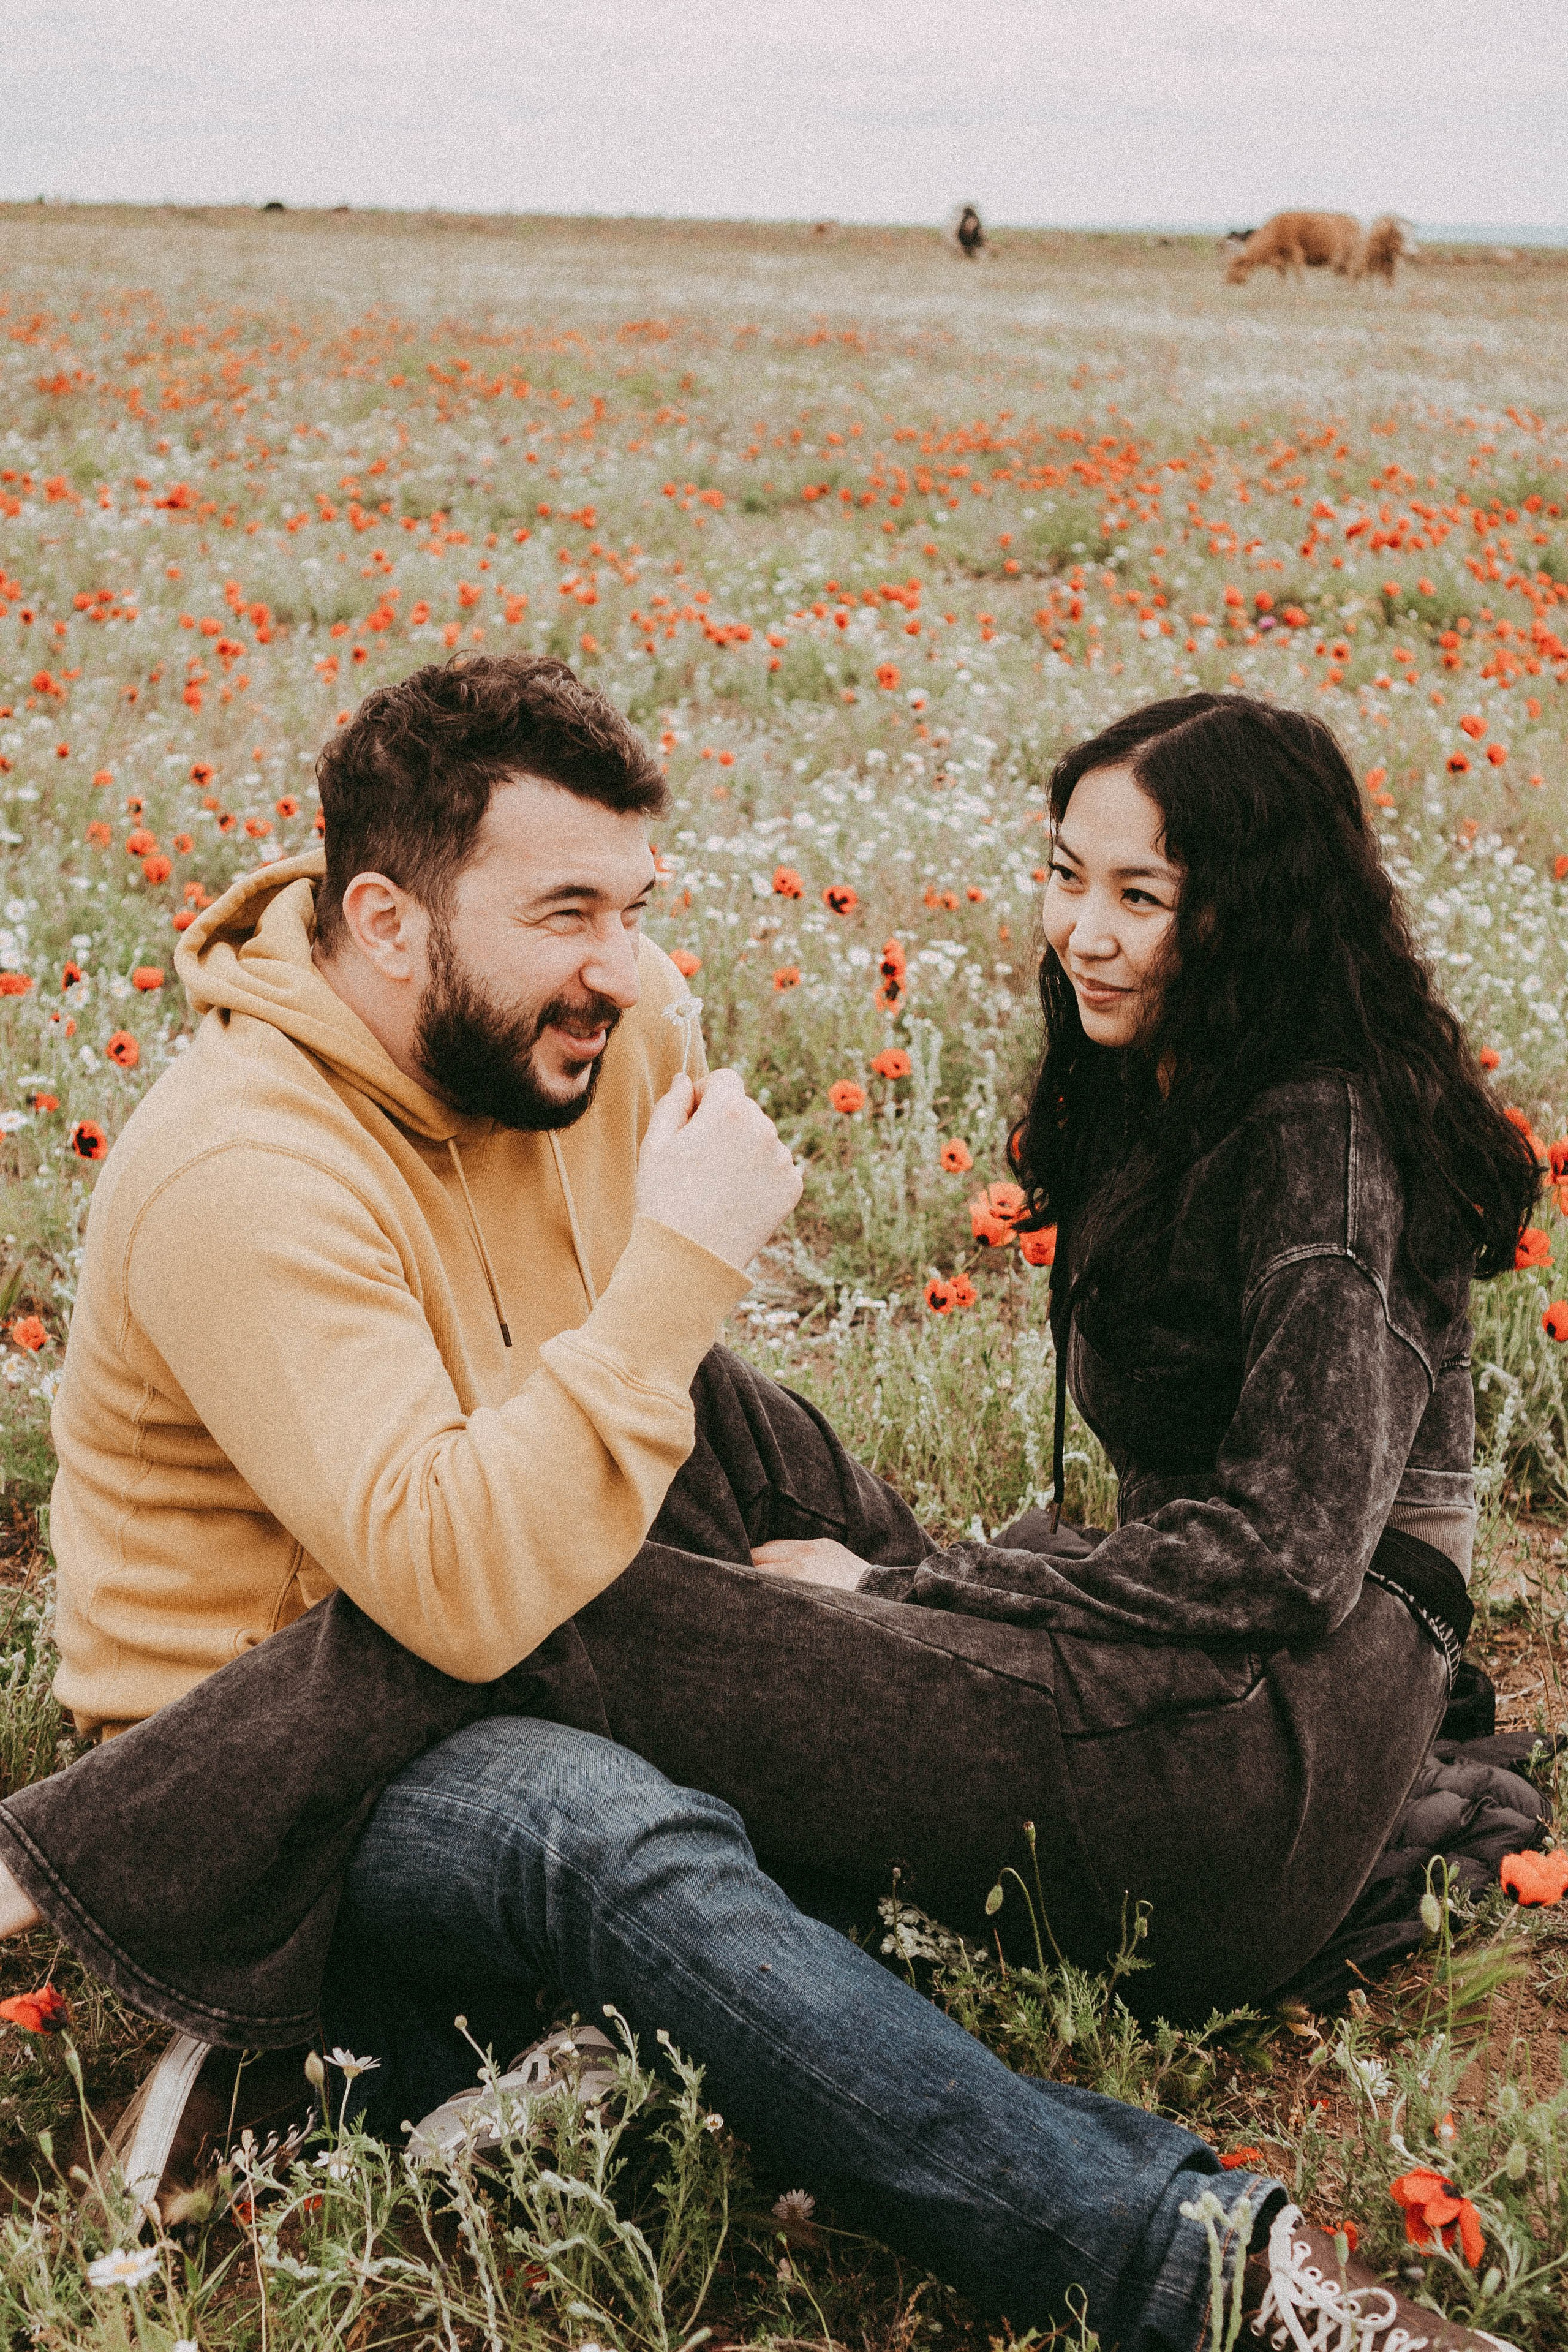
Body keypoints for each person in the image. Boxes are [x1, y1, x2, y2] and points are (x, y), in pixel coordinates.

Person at [0, 665, 1529, 2352]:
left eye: (634, 906)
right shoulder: (243, 1175)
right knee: (613, 1824)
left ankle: (538, 2026)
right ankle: (1195, 2270)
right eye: (566, 911)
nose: (623, 966)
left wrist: (891, 1599)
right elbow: (461, 1587)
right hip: (303, 1756)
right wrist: (733, 1366)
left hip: (521, 1579)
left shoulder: (596, 1023)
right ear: (387, 919)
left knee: (722, 1433)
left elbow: (650, 1417)